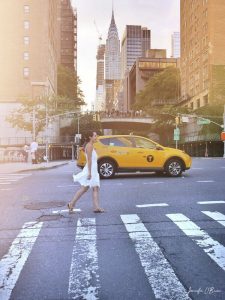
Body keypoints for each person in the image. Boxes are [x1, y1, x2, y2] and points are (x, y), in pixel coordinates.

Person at [67, 131, 104, 213]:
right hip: (91, 169)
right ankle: (72, 204)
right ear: (90, 137)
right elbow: (90, 160)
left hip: (93, 169)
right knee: (86, 188)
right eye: (95, 136)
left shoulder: (90, 145)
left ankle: (96, 207)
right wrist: (90, 173)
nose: (96, 137)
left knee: (93, 188)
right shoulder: (89, 146)